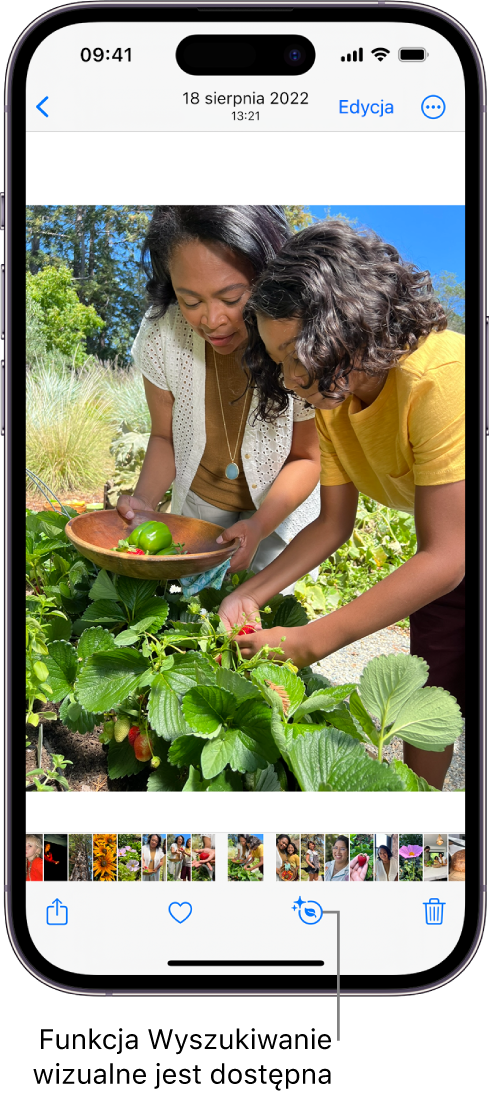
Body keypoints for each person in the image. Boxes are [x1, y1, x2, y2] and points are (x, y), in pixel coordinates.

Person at [220, 220, 465, 788]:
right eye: (277, 359)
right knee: (431, 703)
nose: (288, 376)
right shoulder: (334, 398)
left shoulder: (444, 375)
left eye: (296, 353)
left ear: (349, 321)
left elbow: (447, 555)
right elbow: (333, 523)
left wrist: (313, 638)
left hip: (458, 549)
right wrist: (249, 593)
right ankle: (420, 825)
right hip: (460, 553)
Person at [117, 206, 321, 582]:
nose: (211, 320)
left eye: (231, 299)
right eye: (190, 301)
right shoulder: (162, 332)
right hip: (200, 502)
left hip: (280, 512)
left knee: (264, 618)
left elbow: (306, 458)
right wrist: (144, 502)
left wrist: (259, 525)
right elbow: (165, 437)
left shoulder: (298, 339)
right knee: (193, 610)